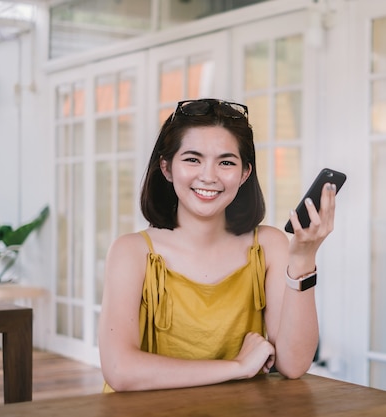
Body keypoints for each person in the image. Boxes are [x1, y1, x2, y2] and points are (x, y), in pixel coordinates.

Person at [98, 98, 338, 392]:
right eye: (192, 159)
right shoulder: (131, 251)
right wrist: (237, 367)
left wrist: (304, 258)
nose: (209, 176)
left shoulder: (268, 245)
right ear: (167, 168)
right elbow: (120, 371)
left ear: (244, 173)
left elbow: (293, 364)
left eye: (226, 162)